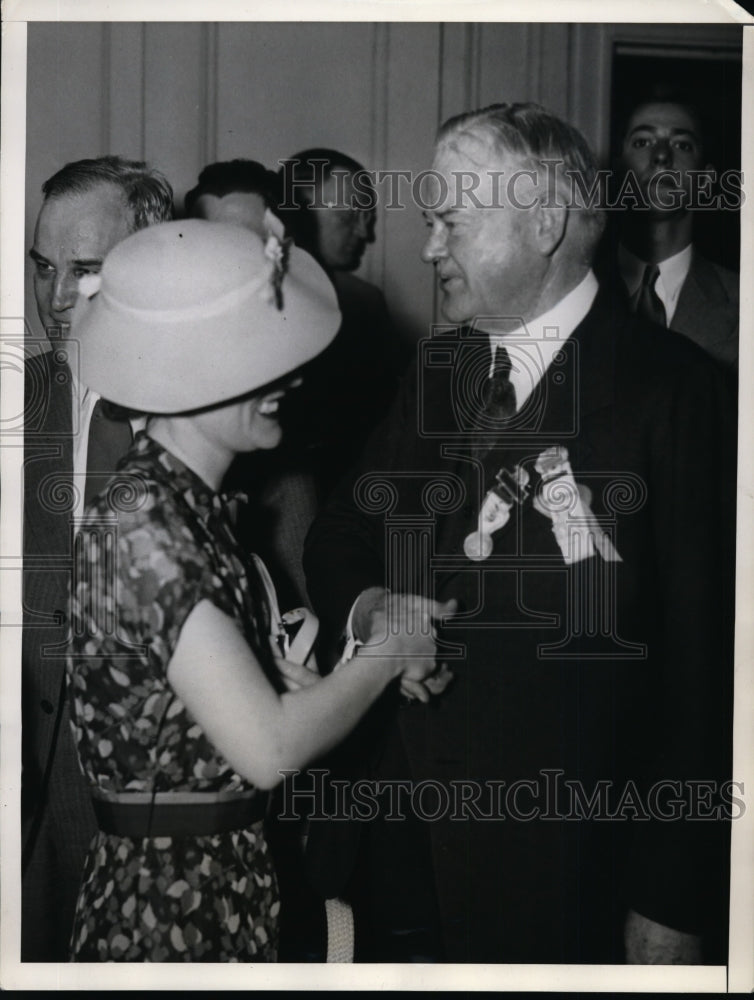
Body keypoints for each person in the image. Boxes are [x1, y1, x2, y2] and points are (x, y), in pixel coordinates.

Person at [303, 103, 734, 963]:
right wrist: (375, 609)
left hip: (563, 870)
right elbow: (340, 529)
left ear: (542, 224)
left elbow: (709, 670)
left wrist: (675, 894)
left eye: (450, 222)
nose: (428, 249)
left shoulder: (679, 395)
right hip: (395, 841)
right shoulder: (438, 368)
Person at [64, 218, 450, 961]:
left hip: (210, 892)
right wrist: (388, 645)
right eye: (257, 359)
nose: (289, 380)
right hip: (171, 911)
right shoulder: (148, 525)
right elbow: (269, 748)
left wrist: (291, 678)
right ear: (190, 374)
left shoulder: (174, 504)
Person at [23, 155, 173, 961]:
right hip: (26, 814)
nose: (52, 299)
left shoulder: (223, 416)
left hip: (155, 831)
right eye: (42, 266)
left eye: (84, 272)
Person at [278, 148, 405, 498]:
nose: (366, 233)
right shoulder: (262, 297)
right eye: (349, 217)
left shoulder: (364, 301)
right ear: (298, 212)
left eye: (368, 217)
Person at [613, 91, 738, 372]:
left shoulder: (744, 303)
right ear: (619, 172)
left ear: (705, 182)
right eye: (643, 142)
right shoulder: (571, 289)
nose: (660, 156)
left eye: (682, 145)